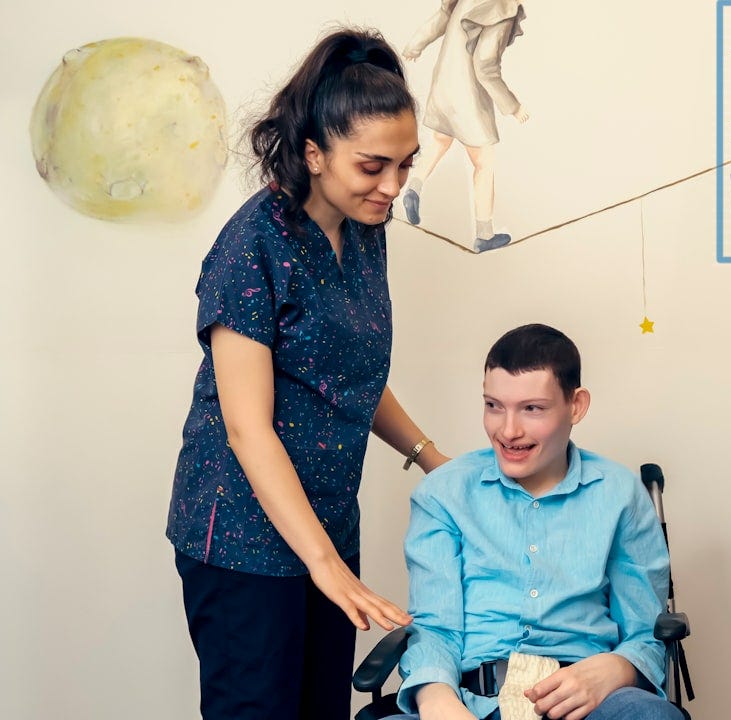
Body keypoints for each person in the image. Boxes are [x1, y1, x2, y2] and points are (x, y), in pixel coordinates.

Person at [165, 28, 449, 720]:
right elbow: (246, 426)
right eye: (373, 166)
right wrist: (325, 566)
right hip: (240, 540)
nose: (392, 187)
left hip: (325, 525)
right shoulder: (251, 246)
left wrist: (434, 460)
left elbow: (348, 374)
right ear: (314, 153)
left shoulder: (364, 234)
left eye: (405, 166)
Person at [387, 324, 684, 720]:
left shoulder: (619, 495)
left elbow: (645, 633)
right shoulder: (443, 493)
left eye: (532, 408)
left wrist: (618, 667)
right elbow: (434, 626)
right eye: (494, 405)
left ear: (576, 405)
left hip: (590, 699)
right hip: (471, 702)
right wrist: (436, 700)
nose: (508, 431)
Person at [401, 0, 530, 253]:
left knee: (440, 140)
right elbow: (485, 67)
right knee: (484, 163)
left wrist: (414, 45)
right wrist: (513, 106)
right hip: (468, 97)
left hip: (445, 84)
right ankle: (484, 234)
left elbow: (441, 18)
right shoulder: (502, 8)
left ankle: (413, 187)